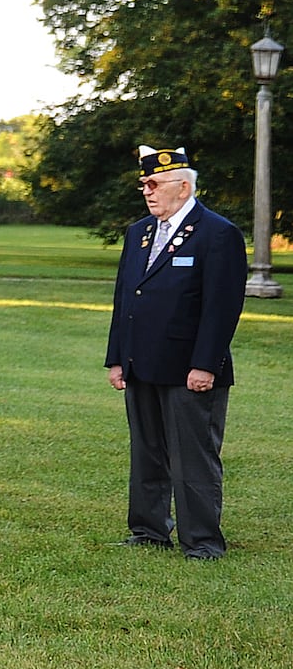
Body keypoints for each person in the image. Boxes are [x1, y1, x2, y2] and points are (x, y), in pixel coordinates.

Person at [106, 146, 245, 560]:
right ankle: (149, 530)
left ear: (183, 188)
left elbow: (221, 308)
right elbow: (125, 300)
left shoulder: (217, 233)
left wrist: (205, 365)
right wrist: (117, 357)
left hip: (188, 369)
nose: (147, 192)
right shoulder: (140, 233)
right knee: (147, 452)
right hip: (141, 363)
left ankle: (202, 541)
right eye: (143, 184)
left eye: (154, 184)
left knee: (193, 458)